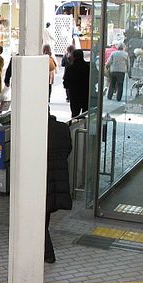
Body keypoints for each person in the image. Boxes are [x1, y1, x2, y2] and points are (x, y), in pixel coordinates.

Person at [45, 113, 72, 263]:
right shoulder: (62, 128)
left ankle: (48, 254)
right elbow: (68, 148)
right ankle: (45, 253)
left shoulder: (37, 129)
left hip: (43, 177)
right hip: (59, 175)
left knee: (39, 219)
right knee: (45, 214)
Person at [63, 49, 90, 118]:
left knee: (75, 115)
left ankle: (75, 127)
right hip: (86, 93)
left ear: (73, 57)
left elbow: (66, 83)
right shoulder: (88, 67)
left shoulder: (70, 68)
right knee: (85, 114)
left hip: (74, 94)